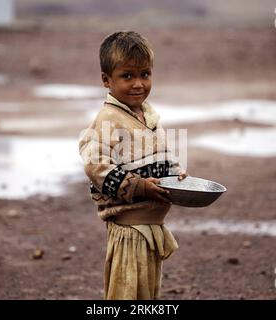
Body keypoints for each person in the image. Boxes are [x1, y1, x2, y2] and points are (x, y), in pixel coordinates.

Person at [78, 31, 187, 300]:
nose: (138, 84)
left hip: (153, 227)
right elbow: (95, 164)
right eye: (127, 76)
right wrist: (138, 186)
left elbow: (162, 153)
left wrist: (176, 175)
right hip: (129, 231)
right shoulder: (109, 118)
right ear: (107, 79)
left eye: (145, 74)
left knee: (148, 294)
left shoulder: (148, 115)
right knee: (126, 293)